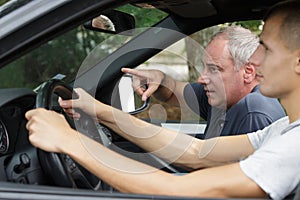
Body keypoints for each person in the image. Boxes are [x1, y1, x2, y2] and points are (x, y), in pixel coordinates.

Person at [25, 0, 300, 199]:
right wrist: (100, 111)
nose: (253, 59)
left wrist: (71, 141)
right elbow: (194, 153)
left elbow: (181, 190)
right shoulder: (283, 130)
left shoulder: (294, 146)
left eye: (266, 47)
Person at [122, 26, 285, 139]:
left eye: (214, 69)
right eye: (205, 68)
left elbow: (231, 186)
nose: (201, 79)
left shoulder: (253, 112)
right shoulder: (223, 98)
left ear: (248, 72)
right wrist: (159, 78)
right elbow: (173, 92)